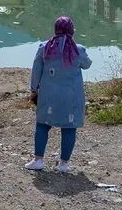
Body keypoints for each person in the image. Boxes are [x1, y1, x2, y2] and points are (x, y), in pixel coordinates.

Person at [25, 16, 92, 173]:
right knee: (69, 128)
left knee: (42, 125)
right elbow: (87, 64)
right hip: (71, 96)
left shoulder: (44, 47)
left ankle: (38, 160)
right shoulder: (78, 50)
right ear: (72, 30)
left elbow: (36, 71)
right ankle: (63, 164)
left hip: (48, 94)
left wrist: (34, 89)